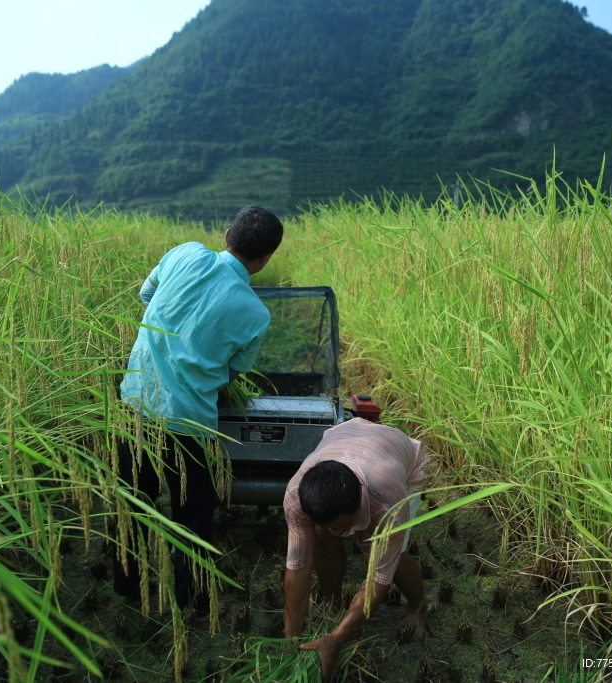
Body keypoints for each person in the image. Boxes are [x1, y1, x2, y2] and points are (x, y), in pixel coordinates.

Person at [112, 205, 283, 617]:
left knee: (133, 502)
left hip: (134, 404)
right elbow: (230, 374)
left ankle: (128, 591)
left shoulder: (184, 253)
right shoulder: (256, 314)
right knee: (194, 511)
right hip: (186, 424)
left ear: (227, 235)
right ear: (265, 260)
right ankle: (194, 601)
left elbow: (146, 295)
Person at [283, 417, 430, 682]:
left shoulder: (387, 504)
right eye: (335, 527)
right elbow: (297, 567)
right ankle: (334, 605)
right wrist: (290, 639)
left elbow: (378, 578)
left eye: (347, 525)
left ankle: (418, 606)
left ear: (360, 502)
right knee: (322, 536)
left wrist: (338, 639)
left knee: (389, 552)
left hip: (400, 458)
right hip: (346, 437)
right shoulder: (296, 497)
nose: (343, 534)